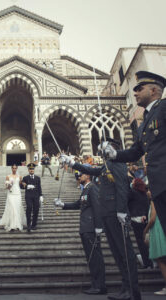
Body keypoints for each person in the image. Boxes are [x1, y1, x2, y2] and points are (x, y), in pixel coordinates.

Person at [60, 144, 141, 300]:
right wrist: (72, 163)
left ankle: (132, 291)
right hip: (108, 214)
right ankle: (125, 289)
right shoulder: (107, 165)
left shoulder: (117, 163)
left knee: (125, 253)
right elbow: (91, 170)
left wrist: (122, 210)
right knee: (117, 254)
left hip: (116, 214)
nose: (101, 152)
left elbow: (122, 187)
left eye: (105, 149)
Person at [102, 71, 166, 237]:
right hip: (158, 187)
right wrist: (114, 154)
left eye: (139, 88)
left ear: (153, 91)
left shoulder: (164, 108)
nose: (135, 92)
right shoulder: (144, 121)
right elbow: (136, 151)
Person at [54, 171, 106, 295]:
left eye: (81, 174)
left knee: (95, 258)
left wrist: (99, 226)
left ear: (88, 176)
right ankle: (96, 284)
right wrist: (62, 205)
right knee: (91, 257)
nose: (79, 176)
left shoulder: (93, 188)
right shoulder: (86, 189)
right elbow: (78, 204)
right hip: (86, 228)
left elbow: (97, 207)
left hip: (91, 228)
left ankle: (99, 286)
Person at [0, 164, 26, 231]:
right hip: (11, 194)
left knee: (17, 208)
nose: (14, 169)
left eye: (15, 168)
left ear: (17, 169)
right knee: (12, 208)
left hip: (18, 194)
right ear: (11, 168)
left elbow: (21, 185)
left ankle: (18, 224)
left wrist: (23, 184)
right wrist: (10, 185)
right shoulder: (8, 176)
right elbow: (7, 187)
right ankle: (12, 225)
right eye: (13, 168)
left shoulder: (20, 176)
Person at [143, 199, 166, 295]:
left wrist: (145, 230)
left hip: (157, 230)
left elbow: (152, 218)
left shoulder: (154, 200)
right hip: (162, 227)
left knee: (160, 258)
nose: (147, 192)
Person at [128, 178, 151, 268]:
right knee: (145, 241)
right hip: (144, 219)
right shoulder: (144, 193)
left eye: (132, 182)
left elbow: (125, 201)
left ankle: (146, 262)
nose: (131, 183)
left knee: (140, 242)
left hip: (136, 219)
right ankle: (151, 260)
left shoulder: (132, 192)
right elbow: (146, 205)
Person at [21, 163, 43, 232]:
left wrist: (41, 195)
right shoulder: (25, 178)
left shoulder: (37, 178)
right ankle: (28, 225)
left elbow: (39, 187)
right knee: (29, 208)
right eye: (30, 169)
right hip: (28, 196)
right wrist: (26, 186)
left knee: (36, 209)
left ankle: (34, 224)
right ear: (28, 170)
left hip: (36, 196)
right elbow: (21, 186)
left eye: (32, 169)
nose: (31, 170)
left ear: (34, 169)